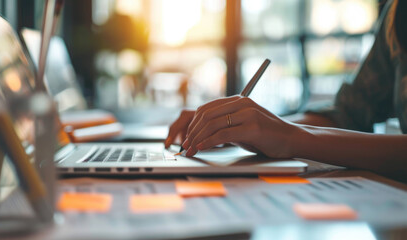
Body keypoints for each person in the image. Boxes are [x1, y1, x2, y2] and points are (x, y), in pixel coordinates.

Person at [165, 0, 407, 181]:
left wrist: (292, 139)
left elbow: (305, 134)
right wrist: (246, 126)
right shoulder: (397, 15)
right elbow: (349, 114)